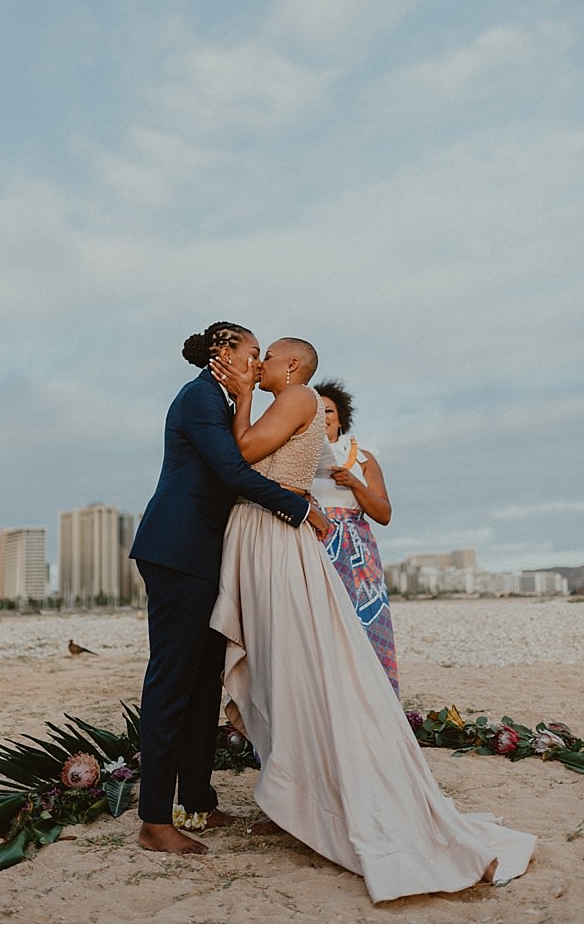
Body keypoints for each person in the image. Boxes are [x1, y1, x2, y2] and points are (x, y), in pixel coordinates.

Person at [209, 339, 536, 904]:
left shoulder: (296, 397)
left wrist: (240, 396)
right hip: (274, 538)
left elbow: (240, 453)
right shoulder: (288, 404)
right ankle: (297, 794)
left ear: (292, 367)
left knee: (304, 670)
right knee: (294, 672)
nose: (257, 365)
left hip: (282, 543)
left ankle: (318, 797)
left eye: (268, 356)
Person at [129, 321, 330, 856]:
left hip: (208, 557)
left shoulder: (222, 400)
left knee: (202, 685)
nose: (258, 363)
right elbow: (233, 471)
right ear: (225, 354)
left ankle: (197, 800)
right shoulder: (199, 398)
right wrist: (301, 508)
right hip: (178, 552)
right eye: (253, 352)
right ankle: (154, 821)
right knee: (171, 683)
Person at [311, 379, 399, 696]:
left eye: (329, 410)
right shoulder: (294, 454)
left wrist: (354, 484)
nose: (323, 416)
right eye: (315, 410)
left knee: (364, 624)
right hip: (311, 544)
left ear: (341, 416)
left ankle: (371, 700)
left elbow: (384, 514)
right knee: (318, 627)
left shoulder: (363, 458)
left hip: (355, 547)